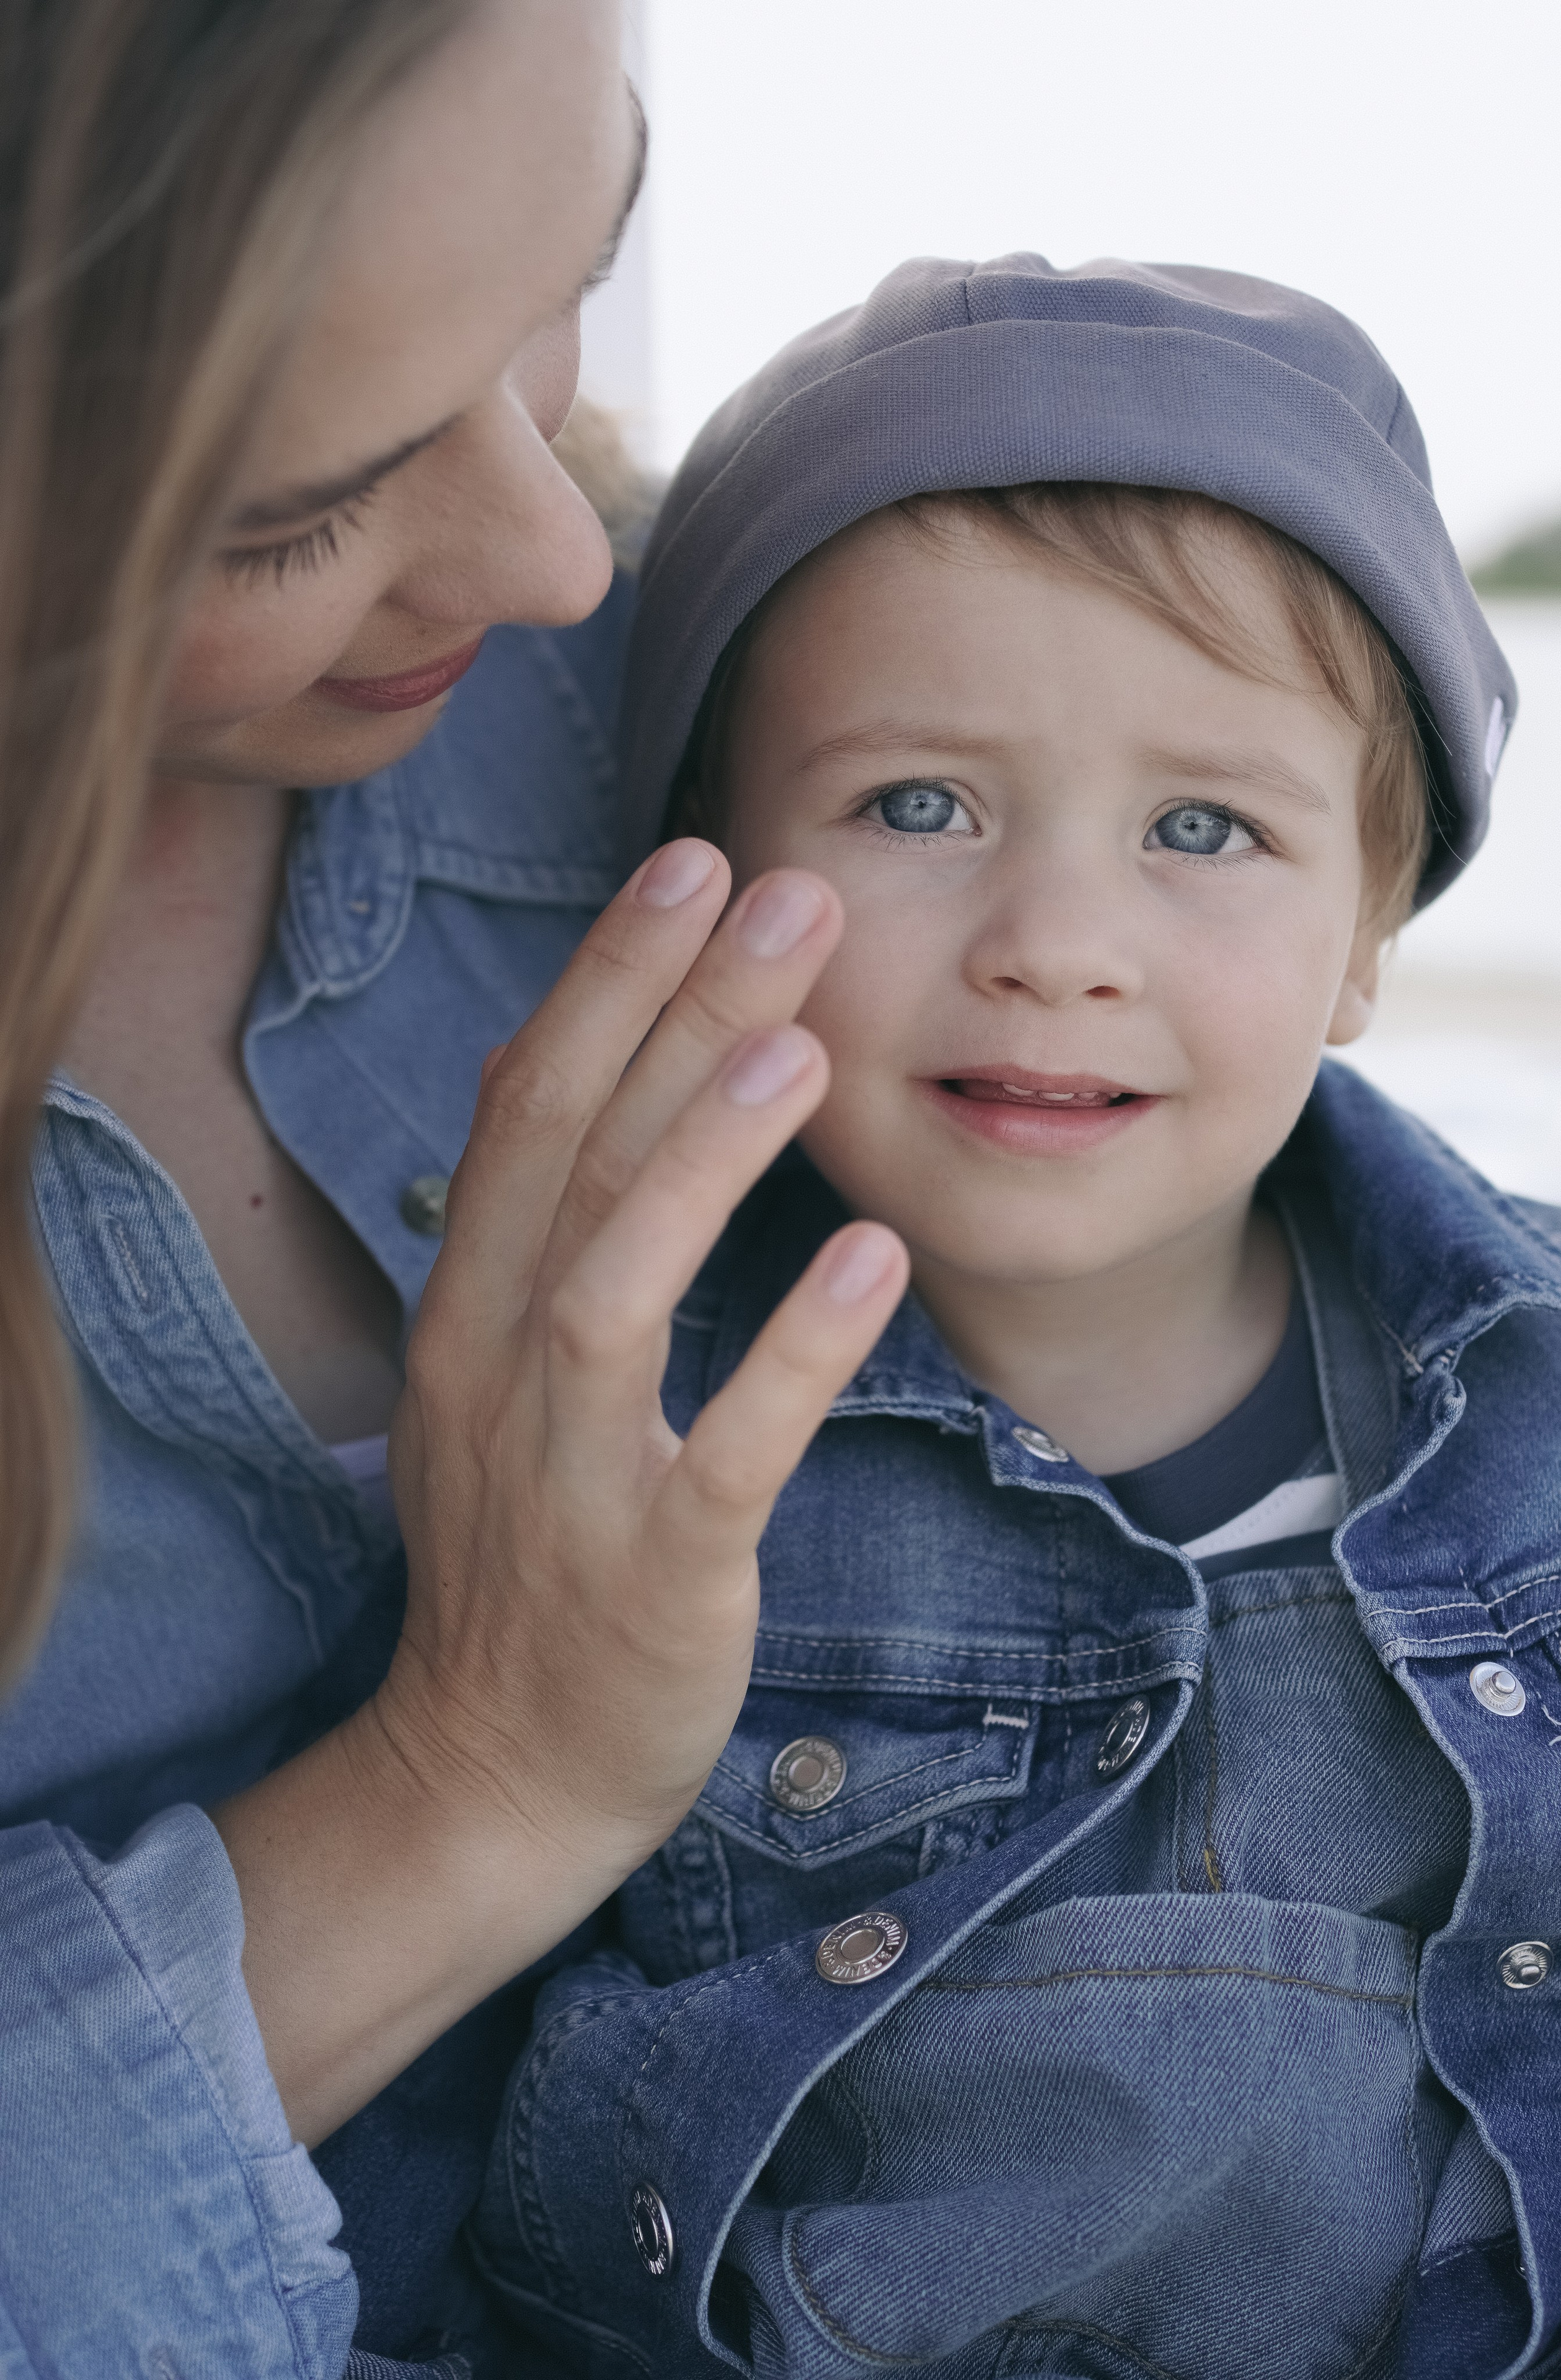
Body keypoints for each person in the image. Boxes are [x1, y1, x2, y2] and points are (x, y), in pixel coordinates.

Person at [469, 255, 1561, 2379]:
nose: (1059, 942)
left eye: (1204, 828)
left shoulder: (1558, 1396)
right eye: (919, 806)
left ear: (1369, 936)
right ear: (704, 873)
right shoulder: (613, 1449)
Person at [0, 4, 908, 2371]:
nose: (557, 559)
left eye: (571, 272)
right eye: (291, 510)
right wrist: (469, 1788)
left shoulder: (726, 707)